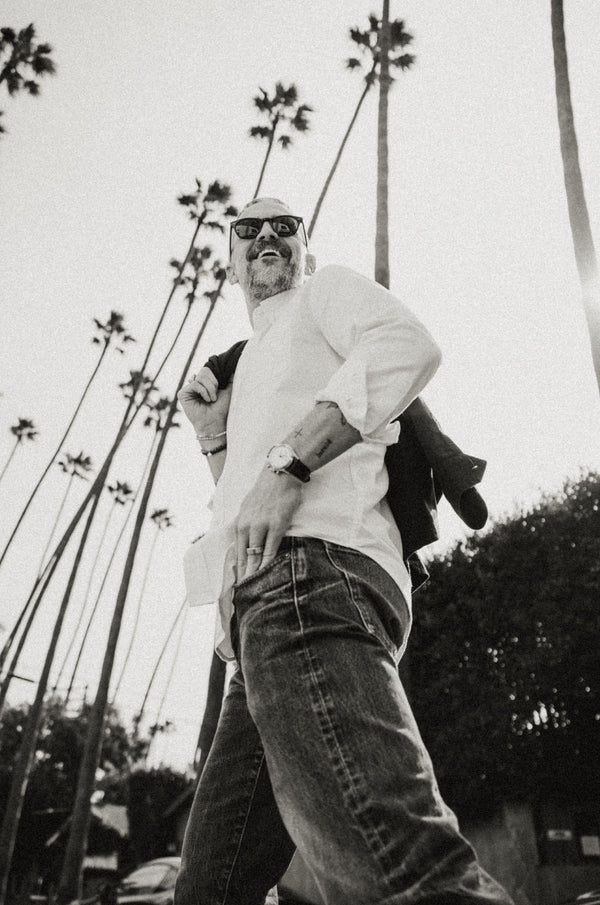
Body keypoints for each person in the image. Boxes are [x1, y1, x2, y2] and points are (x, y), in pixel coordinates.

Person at [175, 197, 514, 905]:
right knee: (209, 889)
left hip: (309, 583)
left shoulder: (322, 296)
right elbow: (250, 506)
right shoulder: (250, 366)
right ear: (231, 261)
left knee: (401, 873)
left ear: (306, 249)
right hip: (259, 623)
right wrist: (215, 436)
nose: (266, 236)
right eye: (247, 230)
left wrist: (289, 464)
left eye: (284, 227)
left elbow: (407, 345)